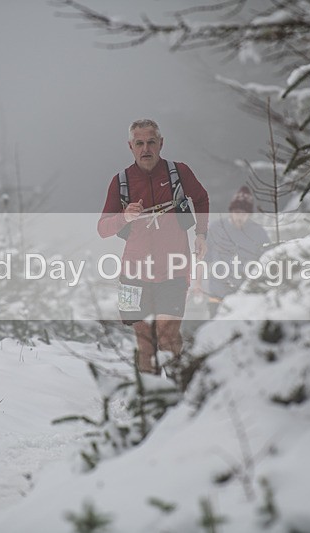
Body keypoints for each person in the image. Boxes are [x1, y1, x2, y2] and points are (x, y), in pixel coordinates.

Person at [98, 119, 209, 376]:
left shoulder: (178, 173)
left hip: (174, 271)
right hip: (131, 276)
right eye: (139, 143)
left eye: (151, 142)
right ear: (130, 146)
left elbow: (201, 198)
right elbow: (102, 228)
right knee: (144, 344)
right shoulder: (121, 181)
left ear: (161, 143)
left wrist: (201, 234)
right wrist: (124, 217)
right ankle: (148, 404)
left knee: (168, 337)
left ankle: (177, 397)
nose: (145, 148)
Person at [197, 185, 270, 316]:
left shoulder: (259, 233)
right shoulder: (216, 229)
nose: (239, 217)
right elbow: (203, 259)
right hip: (217, 294)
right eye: (237, 212)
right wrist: (198, 284)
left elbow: (267, 263)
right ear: (231, 211)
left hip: (246, 296)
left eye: (244, 213)